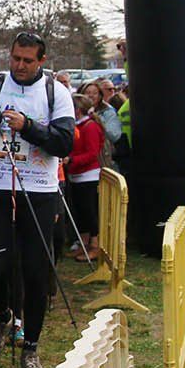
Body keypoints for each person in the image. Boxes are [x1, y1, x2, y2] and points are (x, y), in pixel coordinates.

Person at [0, 32, 77, 368]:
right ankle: (1, 315)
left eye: (28, 61)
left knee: (35, 272)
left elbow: (64, 143)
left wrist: (27, 126)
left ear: (41, 61)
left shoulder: (56, 92)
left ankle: (31, 346)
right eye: (15, 58)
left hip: (39, 190)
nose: (20, 66)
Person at [66, 94, 106, 261]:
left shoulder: (89, 127)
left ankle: (95, 245)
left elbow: (92, 153)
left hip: (89, 176)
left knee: (90, 212)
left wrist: (72, 160)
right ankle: (84, 243)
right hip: (77, 175)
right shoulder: (79, 126)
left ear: (77, 110)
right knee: (80, 211)